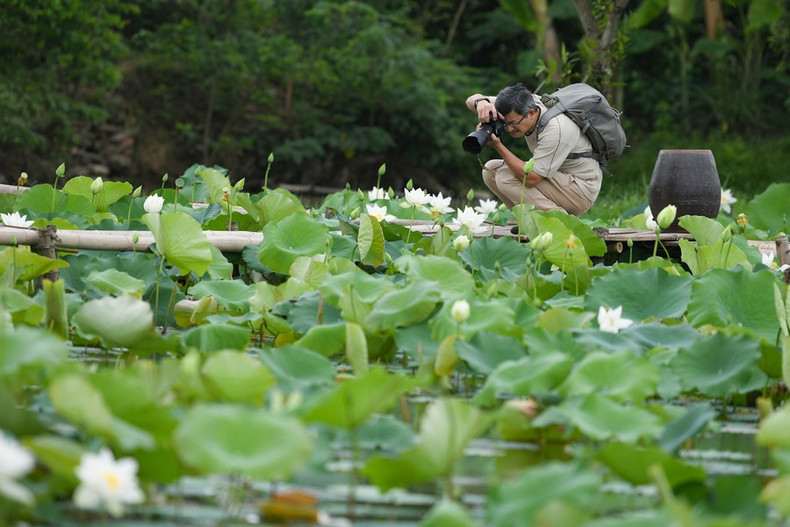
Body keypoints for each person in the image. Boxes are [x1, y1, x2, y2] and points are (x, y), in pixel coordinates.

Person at [465, 83, 601, 216]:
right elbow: (469, 102)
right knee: (490, 170)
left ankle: (560, 221)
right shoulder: (520, 103)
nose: (510, 129)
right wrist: (481, 102)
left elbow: (531, 178)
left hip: (580, 191)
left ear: (531, 113)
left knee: (504, 177)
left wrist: (497, 145)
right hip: (556, 177)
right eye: (505, 124)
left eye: (513, 123)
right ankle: (525, 217)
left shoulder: (555, 129)